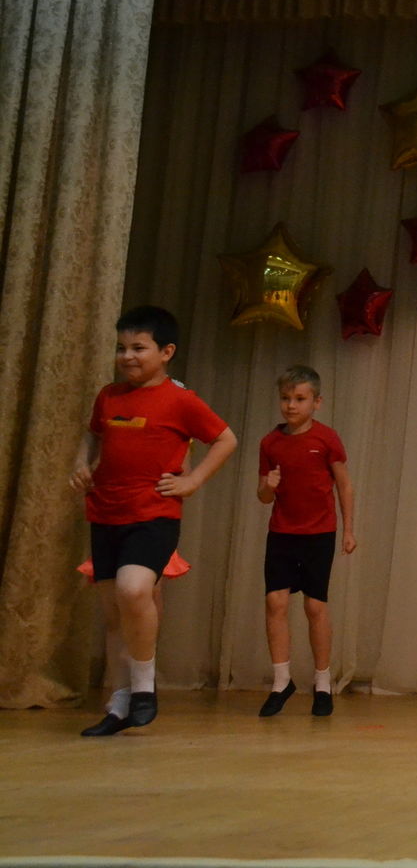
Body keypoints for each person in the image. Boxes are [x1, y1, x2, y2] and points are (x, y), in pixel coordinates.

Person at [70, 306, 237, 736]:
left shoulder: (180, 400)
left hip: (153, 515)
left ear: (166, 352)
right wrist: (82, 462)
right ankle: (119, 701)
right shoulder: (109, 395)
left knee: (134, 589)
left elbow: (225, 438)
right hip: (106, 512)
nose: (127, 356)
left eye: (138, 348)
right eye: (122, 347)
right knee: (114, 615)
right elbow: (94, 432)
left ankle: (145, 687)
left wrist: (193, 481)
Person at [255, 365, 356, 718]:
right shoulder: (270, 442)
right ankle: (281, 681)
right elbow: (263, 496)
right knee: (275, 601)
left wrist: (349, 529)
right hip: (282, 532)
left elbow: (344, 485)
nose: (291, 405)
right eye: (286, 398)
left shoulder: (327, 439)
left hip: (319, 533)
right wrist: (268, 486)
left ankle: (322, 682)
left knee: (314, 606)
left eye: (299, 399)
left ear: (316, 402)